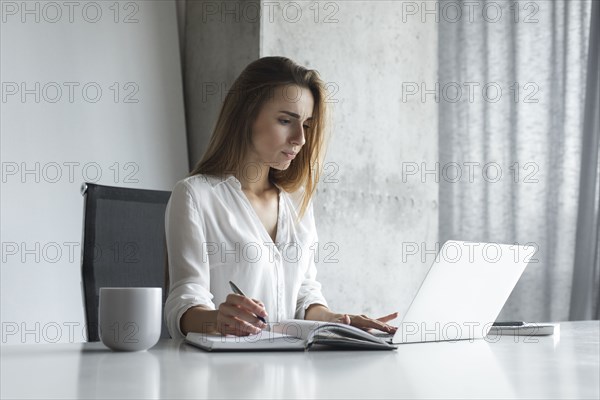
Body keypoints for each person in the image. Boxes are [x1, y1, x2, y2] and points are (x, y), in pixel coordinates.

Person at [164, 56, 399, 338]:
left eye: (307, 125)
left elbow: (304, 296)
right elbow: (184, 304)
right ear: (246, 116)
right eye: (286, 120)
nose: (300, 138)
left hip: (291, 369)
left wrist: (338, 320)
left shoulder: (297, 201)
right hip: (225, 373)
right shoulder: (195, 196)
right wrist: (217, 319)